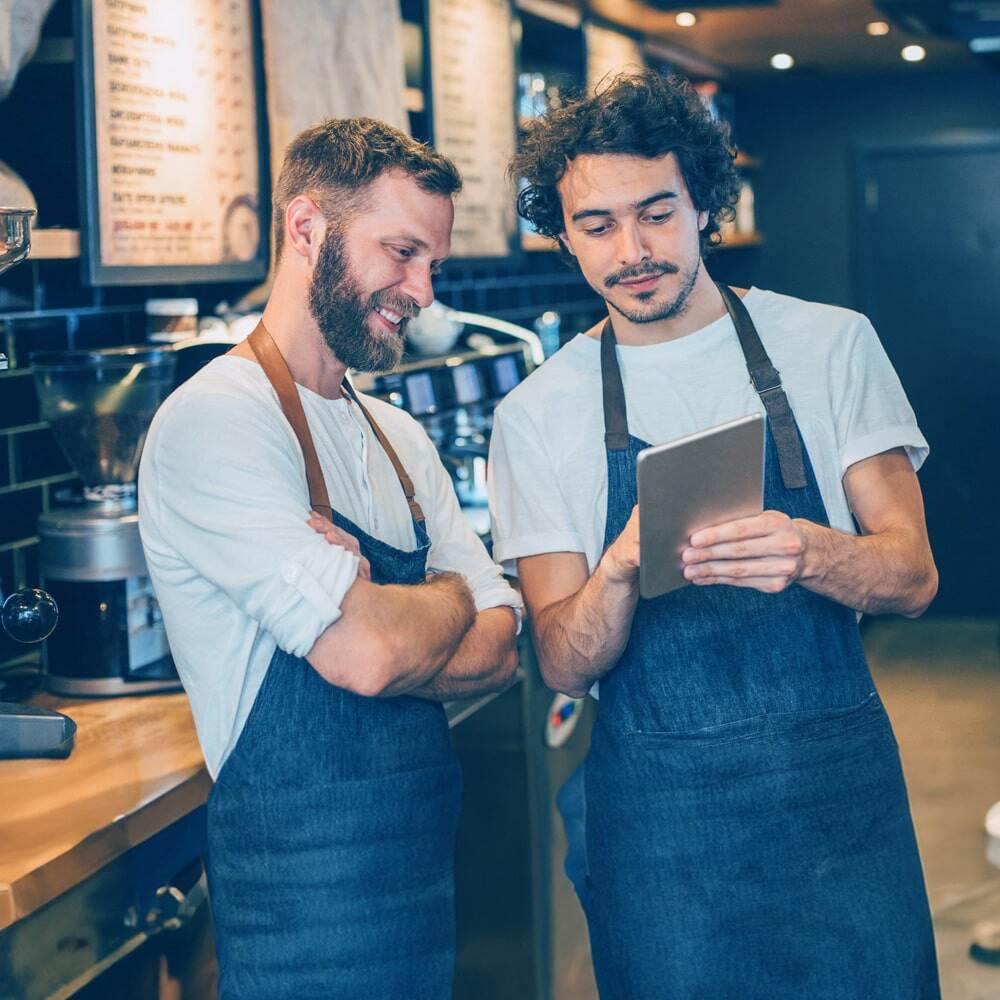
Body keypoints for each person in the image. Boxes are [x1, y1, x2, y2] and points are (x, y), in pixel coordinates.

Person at [488, 72, 941, 999]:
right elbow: (564, 662)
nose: (633, 250)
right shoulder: (537, 416)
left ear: (704, 202)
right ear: (564, 234)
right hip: (662, 831)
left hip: (836, 803)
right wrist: (617, 569)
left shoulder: (828, 344)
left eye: (656, 213)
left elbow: (913, 573)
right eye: (597, 225)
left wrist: (813, 551)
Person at [138, 118, 521, 1000]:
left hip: (420, 905)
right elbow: (367, 655)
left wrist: (398, 600)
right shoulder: (219, 419)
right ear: (307, 228)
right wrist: (435, 600)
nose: (422, 289)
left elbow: (502, 648)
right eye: (401, 252)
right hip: (297, 939)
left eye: (434, 262)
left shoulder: (397, 437)